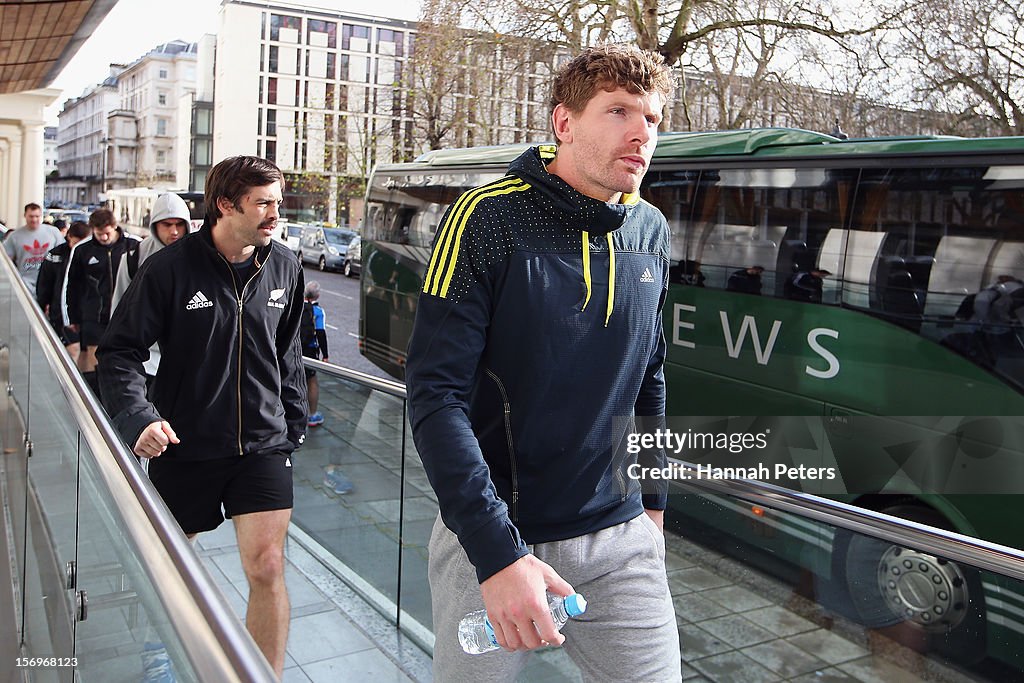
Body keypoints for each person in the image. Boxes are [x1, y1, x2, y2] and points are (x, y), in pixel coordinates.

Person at [405, 45, 681, 681]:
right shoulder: (486, 217)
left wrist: (655, 503)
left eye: (654, 119)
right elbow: (434, 395)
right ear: (564, 123)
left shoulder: (650, 230)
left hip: (622, 538)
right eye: (619, 112)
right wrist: (497, 555)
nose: (643, 133)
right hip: (499, 541)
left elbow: (650, 374)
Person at [96, 156, 306, 678]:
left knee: (268, 566)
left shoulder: (284, 265)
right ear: (225, 205)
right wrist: (139, 418)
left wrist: (294, 420)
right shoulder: (169, 269)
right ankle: (160, 658)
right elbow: (119, 353)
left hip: (263, 445)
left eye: (277, 202)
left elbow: (288, 352)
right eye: (263, 203)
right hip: (183, 443)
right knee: (171, 571)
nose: (274, 214)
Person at [110, 193, 190, 390]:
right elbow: (119, 308)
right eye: (167, 224)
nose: (174, 231)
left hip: (188, 363)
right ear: (155, 225)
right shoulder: (133, 258)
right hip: (145, 362)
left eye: (179, 224)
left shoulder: (201, 258)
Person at [63, 208, 139, 398]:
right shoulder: (83, 251)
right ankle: (93, 400)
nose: (104, 237)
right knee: (94, 360)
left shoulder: (132, 247)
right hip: (94, 315)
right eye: (99, 234)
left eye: (107, 233)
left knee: (120, 361)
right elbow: (73, 285)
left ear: (115, 227)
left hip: (124, 315)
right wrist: (73, 316)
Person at [35, 220, 91, 361]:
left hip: (88, 315)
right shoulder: (55, 255)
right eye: (75, 243)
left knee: (86, 355)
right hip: (61, 313)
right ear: (69, 237)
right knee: (73, 350)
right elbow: (44, 283)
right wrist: (43, 305)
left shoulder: (92, 256)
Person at [3, 203, 63, 296]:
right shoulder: (14, 236)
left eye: (37, 216)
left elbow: (63, 254)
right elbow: (6, 260)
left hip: (49, 282)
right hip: (25, 283)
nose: (34, 219)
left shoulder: (53, 232)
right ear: (25, 215)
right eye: (31, 216)